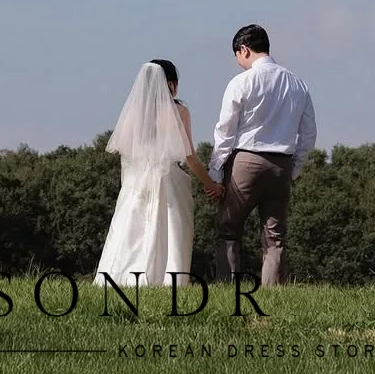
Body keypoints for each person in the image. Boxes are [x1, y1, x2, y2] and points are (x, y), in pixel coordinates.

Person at [94, 59, 222, 289]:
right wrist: (209, 183)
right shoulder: (178, 111)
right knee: (167, 231)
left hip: (136, 181)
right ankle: (165, 280)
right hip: (167, 180)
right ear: (171, 84)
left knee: (131, 231)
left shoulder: (133, 113)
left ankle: (120, 278)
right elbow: (189, 155)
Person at [209, 24, 316, 286]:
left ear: (244, 49)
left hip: (246, 160)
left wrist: (215, 171)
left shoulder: (241, 82)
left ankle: (228, 289)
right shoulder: (297, 83)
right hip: (282, 163)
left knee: (229, 230)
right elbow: (309, 134)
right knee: (274, 237)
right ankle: (272, 295)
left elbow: (225, 131)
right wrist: (294, 168)